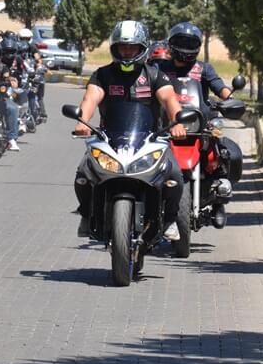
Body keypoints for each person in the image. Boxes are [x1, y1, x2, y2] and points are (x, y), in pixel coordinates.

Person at [72, 20, 188, 239]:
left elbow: (169, 98)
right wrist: (82, 121)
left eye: (132, 47)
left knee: (174, 176)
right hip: (109, 138)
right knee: (83, 175)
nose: (126, 52)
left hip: (150, 139)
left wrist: (178, 123)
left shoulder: (155, 75)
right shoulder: (102, 75)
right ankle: (87, 215)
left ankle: (170, 220)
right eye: (122, 47)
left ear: (142, 48)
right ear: (114, 49)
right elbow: (91, 97)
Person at [156, 22, 243, 221]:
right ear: (171, 44)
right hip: (168, 125)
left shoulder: (203, 69)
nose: (185, 47)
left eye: (190, 43)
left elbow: (220, 89)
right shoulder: (159, 67)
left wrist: (230, 99)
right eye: (181, 42)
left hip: (200, 124)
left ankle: (219, 201)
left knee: (230, 155)